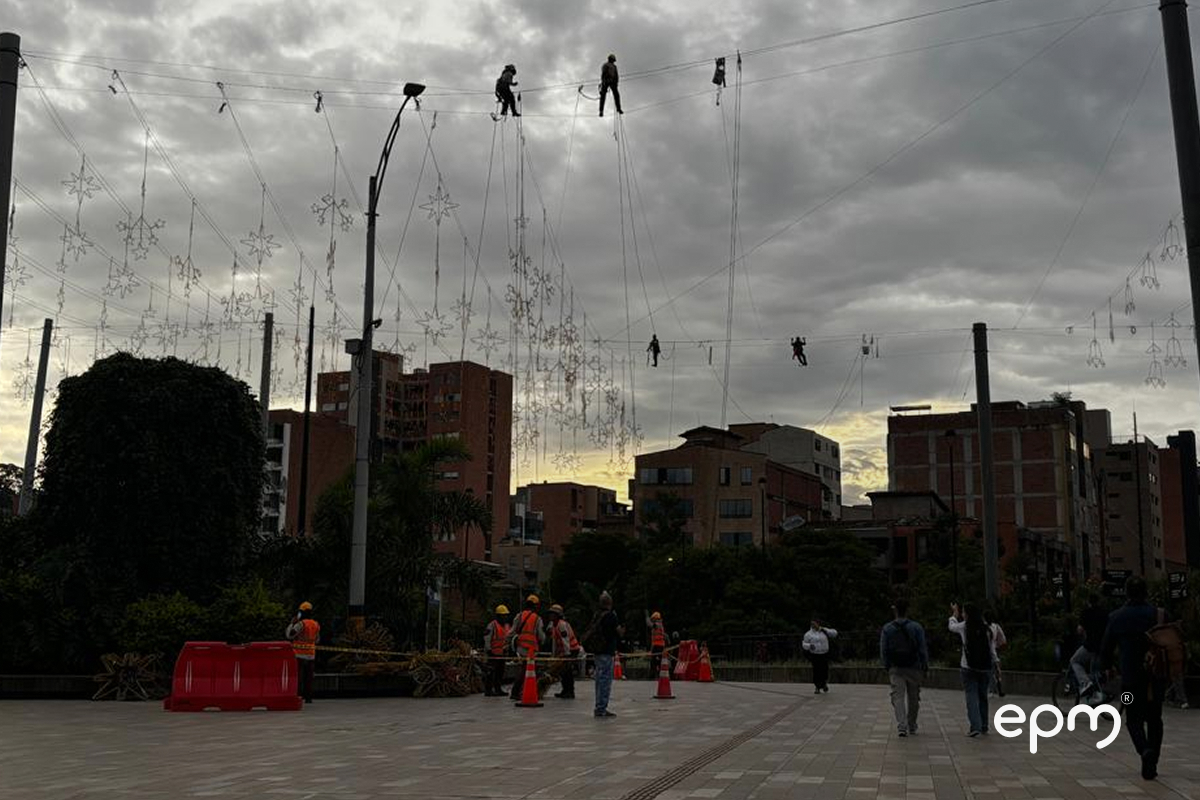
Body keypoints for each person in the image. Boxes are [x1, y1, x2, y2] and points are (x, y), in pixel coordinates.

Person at [1100, 577, 1169, 780]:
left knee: (1132, 719)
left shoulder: (1116, 617)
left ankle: (1144, 750)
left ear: (1127, 593)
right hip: (1155, 680)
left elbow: (1106, 649)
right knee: (1155, 718)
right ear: (1146, 592)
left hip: (1130, 682)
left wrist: (1107, 667)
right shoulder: (1158, 615)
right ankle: (1153, 759)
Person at [880, 598, 928, 737]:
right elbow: (922, 648)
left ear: (895, 610)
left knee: (898, 696)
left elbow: (883, 649)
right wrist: (924, 665)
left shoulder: (887, 628)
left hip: (896, 667)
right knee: (914, 698)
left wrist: (887, 665)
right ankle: (912, 724)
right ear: (908, 610)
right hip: (914, 666)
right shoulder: (916, 627)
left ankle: (902, 726)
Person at [948, 602, 995, 737]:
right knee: (982, 696)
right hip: (985, 667)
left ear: (967, 614)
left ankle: (975, 727)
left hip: (968, 666)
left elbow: (951, 627)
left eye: (963, 613)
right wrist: (995, 663)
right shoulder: (987, 628)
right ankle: (984, 725)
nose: (962, 615)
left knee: (971, 696)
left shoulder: (964, 626)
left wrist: (954, 615)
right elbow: (991, 649)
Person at [591, 592, 624, 717]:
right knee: (605, 681)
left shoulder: (597, 615)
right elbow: (619, 633)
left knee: (599, 680)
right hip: (607, 651)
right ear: (610, 603)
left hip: (597, 651)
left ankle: (599, 706)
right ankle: (601, 708)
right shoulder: (611, 616)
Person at [508, 594, 545, 700]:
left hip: (520, 648)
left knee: (524, 670)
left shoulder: (519, 616)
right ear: (535, 606)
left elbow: (512, 631)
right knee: (528, 671)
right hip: (531, 649)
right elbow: (541, 636)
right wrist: (543, 641)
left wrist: (506, 642)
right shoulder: (537, 618)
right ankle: (518, 692)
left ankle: (519, 691)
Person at [1071, 593, 1109, 698]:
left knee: (1074, 661)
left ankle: (1085, 683)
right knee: (1094, 671)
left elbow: (1080, 629)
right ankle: (1095, 694)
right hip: (1102, 646)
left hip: (1090, 645)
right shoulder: (1104, 612)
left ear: (1089, 602)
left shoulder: (1086, 612)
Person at [285, 601, 320, 704]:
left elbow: (290, 635)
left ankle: (298, 696)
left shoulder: (301, 624)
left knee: (298, 676)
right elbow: (317, 640)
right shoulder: (316, 624)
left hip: (298, 654)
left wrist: (292, 624)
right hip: (311, 655)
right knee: (308, 677)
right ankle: (308, 698)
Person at [546, 604, 580, 699]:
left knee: (567, 671)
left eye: (552, 614)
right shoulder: (554, 625)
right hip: (565, 651)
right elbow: (555, 643)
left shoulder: (561, 625)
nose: (550, 616)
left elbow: (565, 641)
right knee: (563, 671)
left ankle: (569, 691)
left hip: (571, 650)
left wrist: (566, 655)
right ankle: (565, 690)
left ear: (558, 615)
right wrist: (554, 655)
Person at [801, 618, 837, 694]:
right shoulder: (808, 634)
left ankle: (824, 684)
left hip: (824, 654)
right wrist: (810, 646)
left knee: (824, 670)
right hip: (815, 655)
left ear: (818, 623)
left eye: (815, 623)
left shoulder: (824, 631)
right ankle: (817, 686)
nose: (814, 625)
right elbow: (804, 644)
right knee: (817, 670)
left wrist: (825, 630)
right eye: (812, 624)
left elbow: (835, 633)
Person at [482, 604, 510, 697]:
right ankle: (488, 690)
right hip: (493, 653)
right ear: (498, 616)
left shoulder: (506, 626)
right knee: (491, 672)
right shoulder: (492, 625)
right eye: (503, 615)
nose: (505, 617)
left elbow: (506, 639)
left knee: (500, 672)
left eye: (506, 615)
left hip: (501, 654)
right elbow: (487, 638)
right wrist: (489, 650)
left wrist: (507, 649)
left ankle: (498, 689)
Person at [984, 610, 1007, 697]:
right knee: (997, 671)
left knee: (989, 671)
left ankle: (991, 690)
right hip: (995, 651)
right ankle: (999, 689)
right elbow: (1003, 639)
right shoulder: (996, 627)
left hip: (987, 652)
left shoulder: (984, 627)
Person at [646, 610, 667, 675]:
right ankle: (658, 674)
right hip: (660, 645)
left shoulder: (657, 624)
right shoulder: (660, 625)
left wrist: (647, 617)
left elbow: (649, 624)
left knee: (653, 661)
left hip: (657, 646)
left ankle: (653, 674)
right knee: (659, 661)